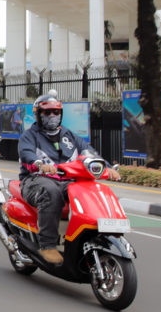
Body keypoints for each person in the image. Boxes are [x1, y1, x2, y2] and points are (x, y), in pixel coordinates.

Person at [18, 94, 121, 265]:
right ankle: (48, 246)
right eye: (47, 112)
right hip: (36, 179)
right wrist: (40, 164)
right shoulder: (29, 136)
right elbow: (26, 154)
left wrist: (107, 167)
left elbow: (89, 152)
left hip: (67, 180)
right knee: (51, 192)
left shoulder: (69, 135)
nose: (52, 116)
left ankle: (96, 233)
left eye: (56, 112)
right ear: (38, 114)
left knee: (92, 190)